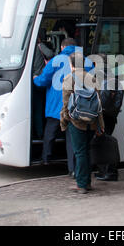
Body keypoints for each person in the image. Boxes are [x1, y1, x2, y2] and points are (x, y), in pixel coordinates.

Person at [33, 38, 83, 175]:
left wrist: (34, 78)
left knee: (50, 132)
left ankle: (46, 158)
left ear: (62, 47)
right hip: (75, 105)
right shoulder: (85, 60)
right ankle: (73, 169)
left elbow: (42, 81)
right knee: (72, 138)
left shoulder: (56, 60)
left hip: (57, 105)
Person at [61, 52, 105, 194]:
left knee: (79, 152)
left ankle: (81, 184)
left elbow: (66, 104)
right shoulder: (92, 78)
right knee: (86, 151)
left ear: (72, 64)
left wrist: (64, 121)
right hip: (91, 121)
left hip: (76, 122)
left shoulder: (69, 78)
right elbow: (98, 104)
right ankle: (87, 182)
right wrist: (100, 125)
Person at [94, 54, 124, 181]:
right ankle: (105, 171)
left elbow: (99, 98)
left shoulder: (99, 77)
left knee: (104, 143)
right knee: (104, 141)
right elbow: (118, 100)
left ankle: (110, 172)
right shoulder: (114, 78)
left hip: (102, 116)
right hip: (111, 116)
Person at [32, 33, 54, 139]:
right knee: (40, 107)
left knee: (36, 107)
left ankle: (36, 131)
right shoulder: (38, 46)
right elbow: (50, 54)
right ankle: (41, 132)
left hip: (31, 81)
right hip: (40, 80)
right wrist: (41, 45)